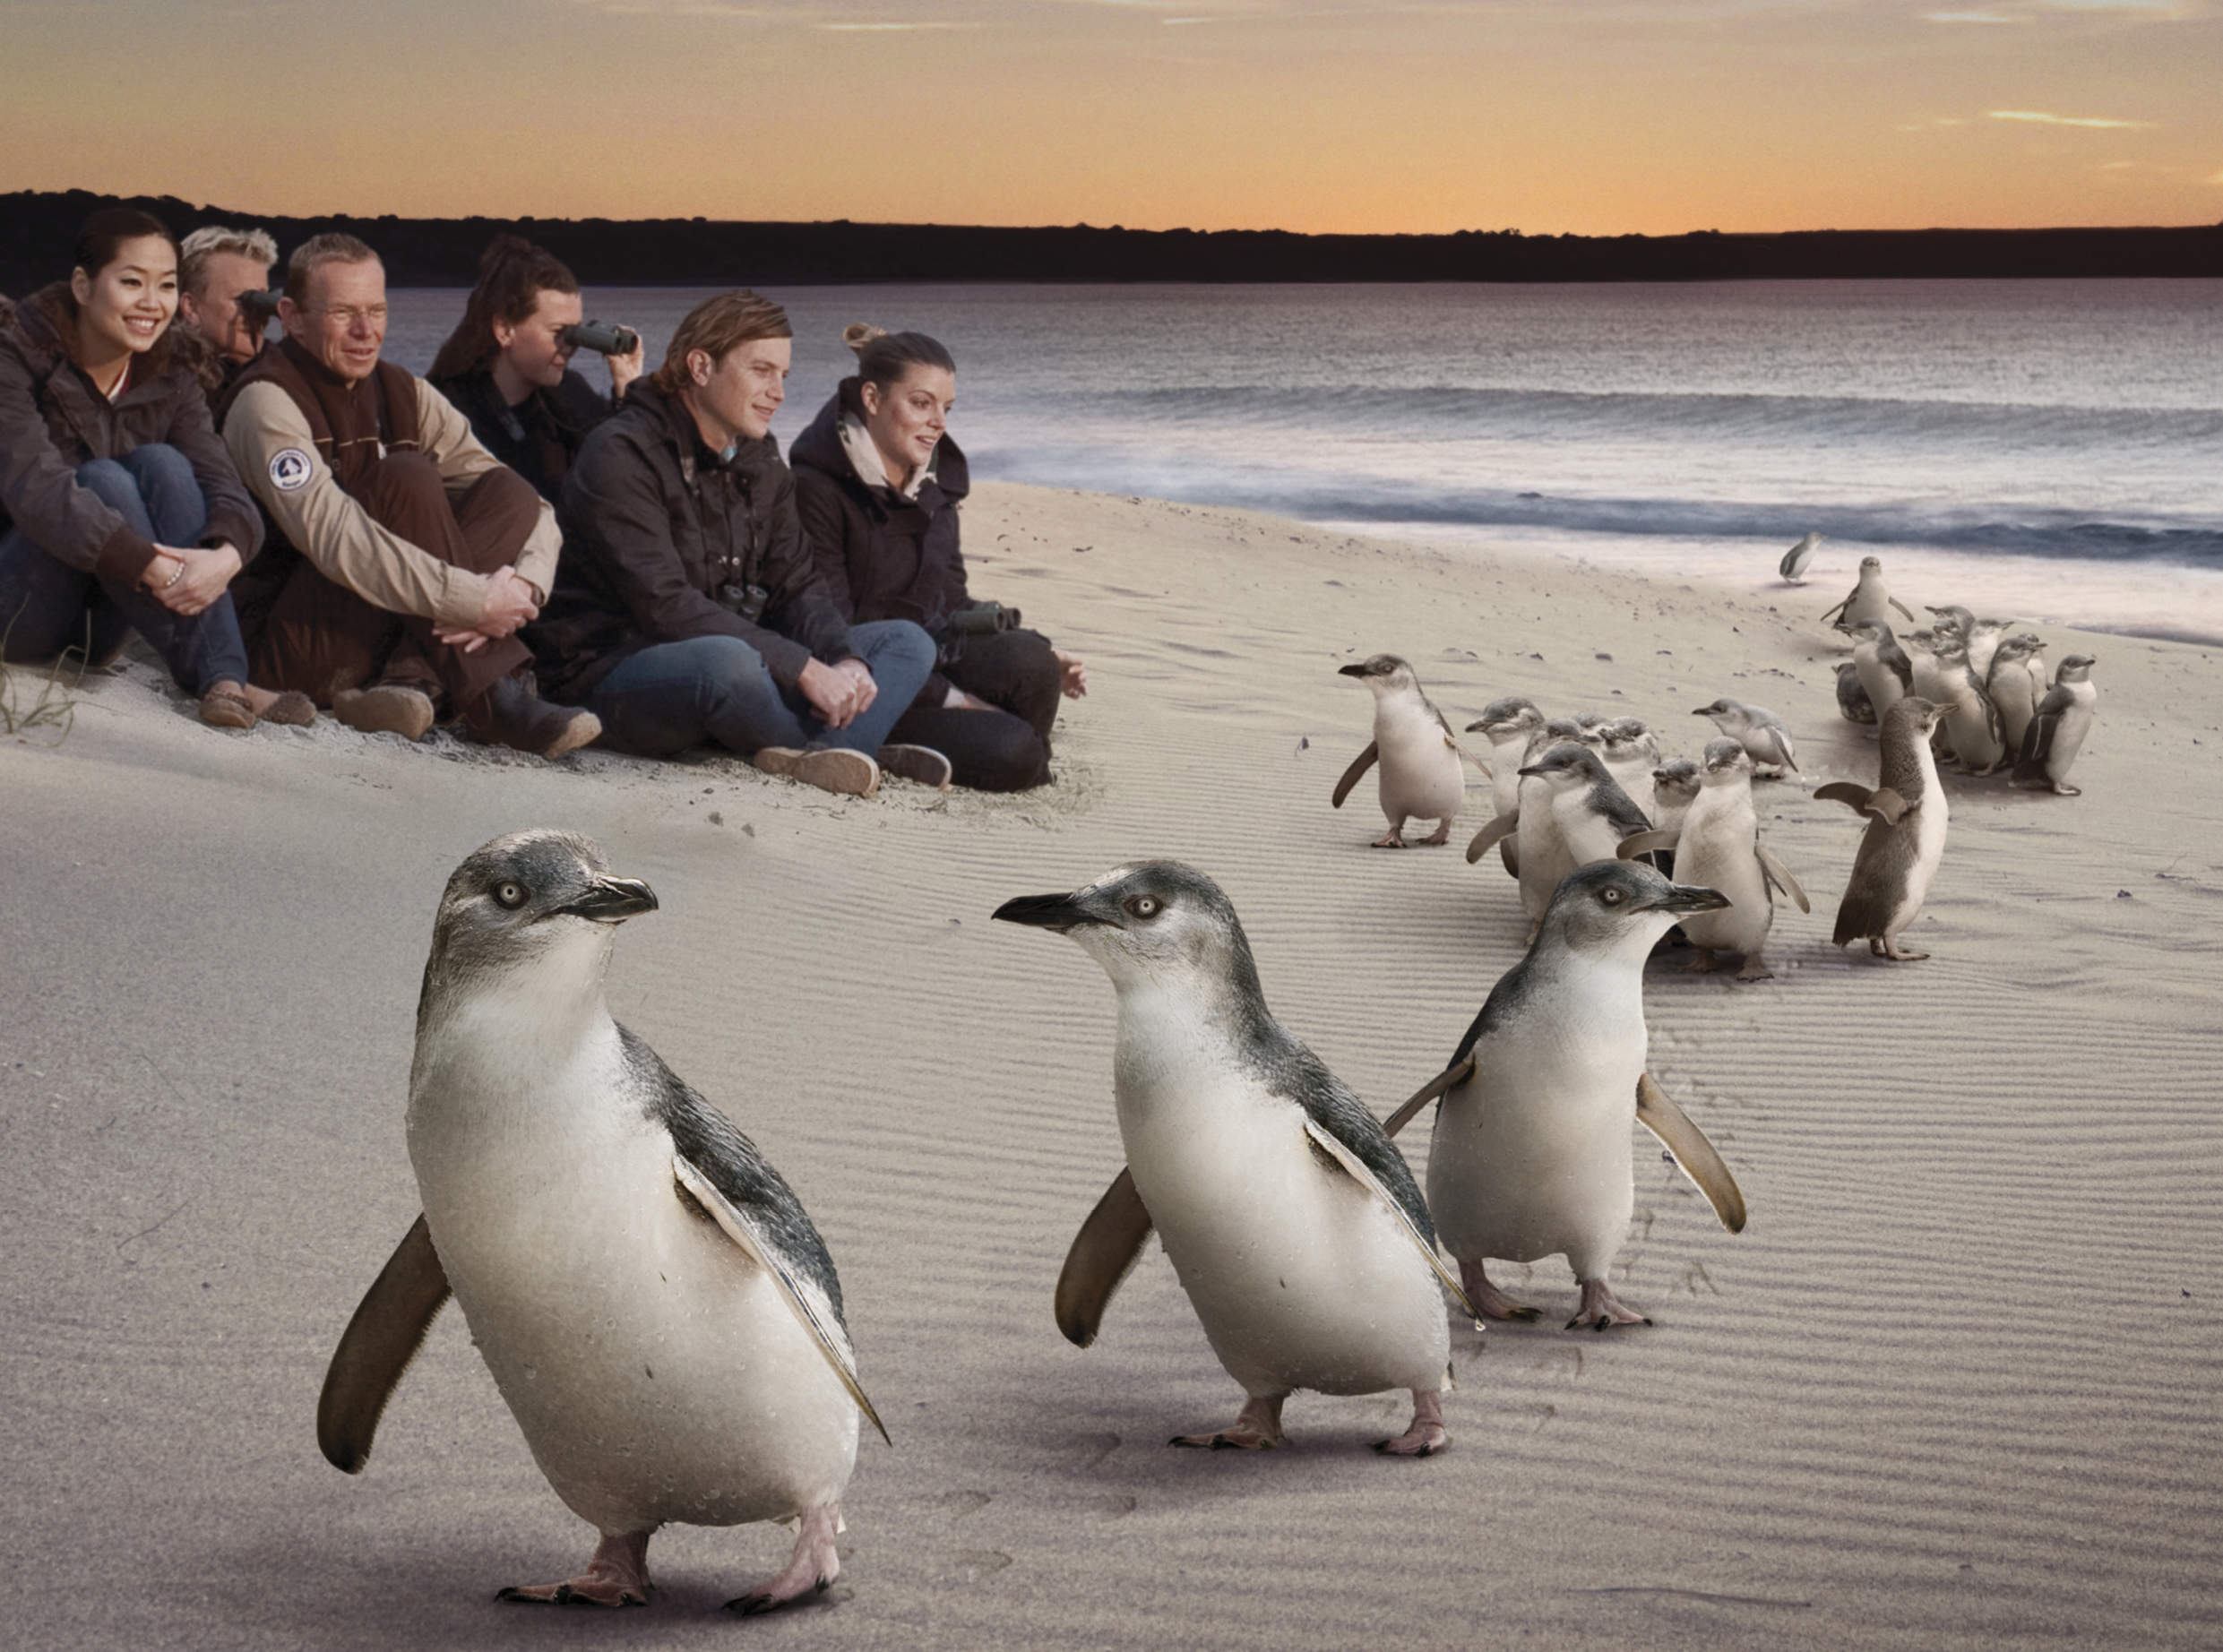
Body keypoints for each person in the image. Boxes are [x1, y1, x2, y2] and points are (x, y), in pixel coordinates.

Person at [536, 289, 940, 797]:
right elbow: (666, 607)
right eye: (761, 371)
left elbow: (797, 583)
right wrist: (801, 668)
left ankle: (829, 750)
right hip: (615, 668)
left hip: (740, 652)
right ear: (701, 367)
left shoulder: (759, 456)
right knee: (728, 664)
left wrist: (844, 658)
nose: (778, 393)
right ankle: (850, 744)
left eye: (784, 376)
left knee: (904, 642)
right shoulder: (621, 453)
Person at [219, 233, 599, 757]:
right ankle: (493, 698)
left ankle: (409, 680)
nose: (365, 330)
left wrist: (527, 586)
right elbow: (334, 539)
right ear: (293, 316)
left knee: (506, 491)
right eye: (342, 313)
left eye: (376, 310)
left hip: (371, 630)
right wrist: (474, 600)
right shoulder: (265, 402)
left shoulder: (404, 392)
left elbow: (533, 508)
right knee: (406, 477)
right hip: (283, 649)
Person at [0, 208, 313, 731]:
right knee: (102, 480)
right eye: (131, 282)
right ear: (82, 285)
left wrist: (225, 559)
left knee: (164, 463)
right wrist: (157, 567)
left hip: (99, 629)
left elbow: (224, 487)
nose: (152, 303)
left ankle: (223, 679)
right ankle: (224, 679)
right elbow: (36, 491)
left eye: (165, 285)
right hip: (18, 605)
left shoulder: (173, 372)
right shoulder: (16, 356)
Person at [791, 323, 1085, 792]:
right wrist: (953, 699)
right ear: (871, 398)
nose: (939, 423)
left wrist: (1036, 647)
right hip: (862, 677)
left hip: (930, 657)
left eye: (945, 408)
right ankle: (887, 743)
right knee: (1014, 750)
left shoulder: (934, 487)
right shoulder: (816, 488)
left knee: (1033, 664)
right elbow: (832, 630)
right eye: (921, 403)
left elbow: (949, 601)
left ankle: (1014, 756)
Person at [427, 236, 642, 504]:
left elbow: (626, 480)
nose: (571, 346)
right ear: (505, 330)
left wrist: (629, 393)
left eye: (576, 332)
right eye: (558, 332)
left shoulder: (569, 397)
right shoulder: (449, 410)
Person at [177, 225, 280, 401]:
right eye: (241, 299)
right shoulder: (168, 388)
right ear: (191, 308)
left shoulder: (278, 371)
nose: (255, 311)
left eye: (262, 298)